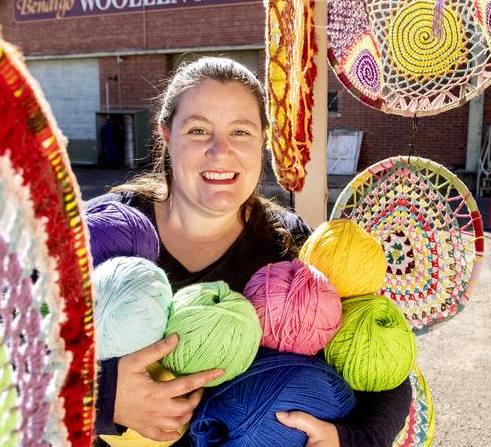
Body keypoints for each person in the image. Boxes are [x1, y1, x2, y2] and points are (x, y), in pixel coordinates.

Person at [89, 57, 412, 446]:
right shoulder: (105, 230)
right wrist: (101, 397)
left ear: (263, 139)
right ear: (166, 134)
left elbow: (387, 377)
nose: (219, 151)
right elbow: (5, 346)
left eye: (240, 131)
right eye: (197, 130)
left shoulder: (294, 250)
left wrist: (351, 439)